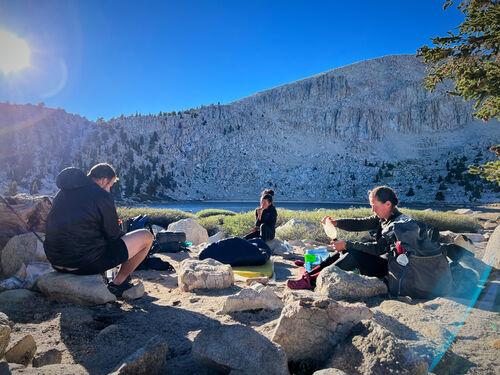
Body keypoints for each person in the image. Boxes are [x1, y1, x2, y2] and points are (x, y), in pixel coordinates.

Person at [287, 185, 452, 298]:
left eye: (374, 205)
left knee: (352, 254)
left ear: (388, 204)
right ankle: (311, 274)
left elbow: (378, 249)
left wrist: (349, 244)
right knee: (346, 251)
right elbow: (360, 223)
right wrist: (337, 223)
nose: (372, 209)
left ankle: (312, 281)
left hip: (394, 271)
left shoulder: (399, 224)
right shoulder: (385, 217)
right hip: (389, 264)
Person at [44, 163, 153, 298]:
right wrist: (127, 238)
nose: (109, 190)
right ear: (103, 180)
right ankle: (118, 284)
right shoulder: (101, 195)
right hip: (83, 264)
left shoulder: (61, 194)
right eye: (110, 185)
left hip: (56, 261)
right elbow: (113, 235)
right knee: (147, 237)